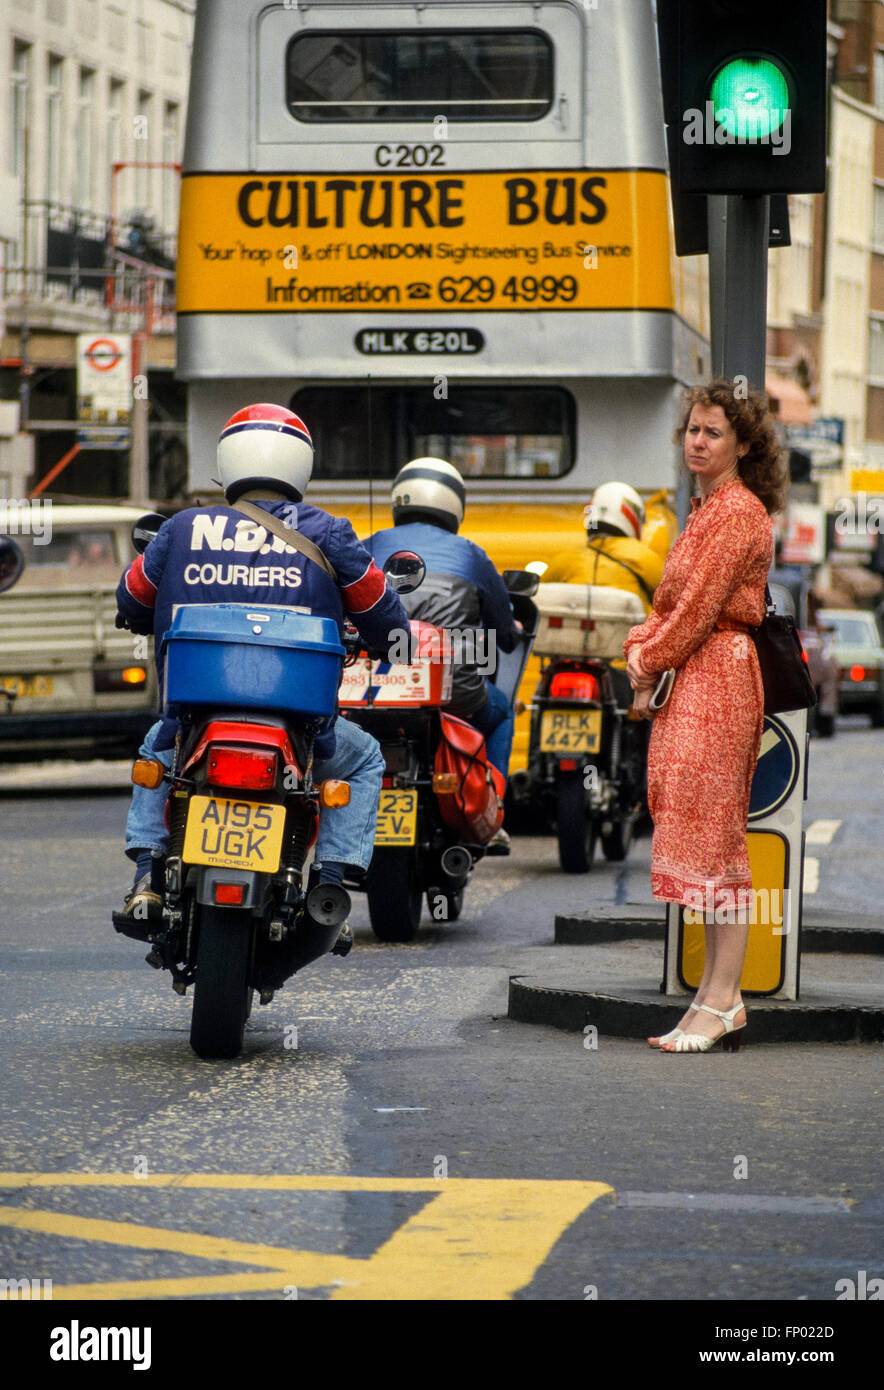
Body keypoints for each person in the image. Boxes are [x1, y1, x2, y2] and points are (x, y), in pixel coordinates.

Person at [116, 402, 411, 923]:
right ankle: (330, 881)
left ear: (228, 461)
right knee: (365, 760)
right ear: (301, 465)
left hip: (192, 717)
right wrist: (388, 641)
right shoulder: (330, 532)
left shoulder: (182, 528)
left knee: (156, 754)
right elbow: (383, 612)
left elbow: (132, 598)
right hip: (303, 725)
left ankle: (147, 870)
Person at [623, 380, 786, 1054]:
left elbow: (695, 610)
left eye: (713, 431)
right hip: (696, 673)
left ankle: (724, 997)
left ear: (742, 445)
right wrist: (646, 648)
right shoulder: (704, 510)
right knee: (699, 826)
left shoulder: (740, 513)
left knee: (718, 836)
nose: (697, 440)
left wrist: (647, 658)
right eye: (692, 428)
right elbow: (669, 604)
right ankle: (712, 998)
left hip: (720, 674)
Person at [365, 455, 522, 788]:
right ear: (454, 505)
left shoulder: (370, 545)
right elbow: (505, 635)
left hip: (372, 693)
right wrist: (510, 633)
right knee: (502, 713)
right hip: (455, 696)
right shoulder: (470, 554)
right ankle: (493, 799)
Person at [544, 481, 666, 706]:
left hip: (562, 665)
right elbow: (669, 602)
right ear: (631, 517)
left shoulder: (565, 559)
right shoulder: (644, 558)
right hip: (621, 672)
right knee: (654, 712)